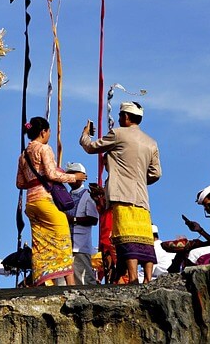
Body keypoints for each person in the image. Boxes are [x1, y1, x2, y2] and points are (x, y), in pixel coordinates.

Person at [80, 102, 161, 284]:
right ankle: (147, 278)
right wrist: (139, 179)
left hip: (121, 194)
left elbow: (91, 147)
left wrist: (85, 135)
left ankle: (132, 277)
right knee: (145, 237)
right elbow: (156, 173)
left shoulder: (118, 134)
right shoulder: (151, 142)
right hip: (141, 196)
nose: (118, 119)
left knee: (126, 236)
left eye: (120, 116)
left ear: (126, 117)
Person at [17, 117, 84, 286]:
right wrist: (74, 177)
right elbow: (52, 175)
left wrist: (34, 180)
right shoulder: (44, 149)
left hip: (31, 203)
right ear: (43, 132)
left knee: (40, 244)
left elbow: (20, 183)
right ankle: (70, 283)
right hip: (45, 200)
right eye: (48, 132)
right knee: (62, 238)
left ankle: (43, 281)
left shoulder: (23, 155)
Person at [66, 162, 100, 285]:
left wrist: (73, 220)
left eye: (74, 174)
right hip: (66, 243)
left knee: (84, 279)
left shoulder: (88, 195)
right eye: (68, 174)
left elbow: (93, 219)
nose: (71, 178)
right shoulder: (65, 196)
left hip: (81, 244)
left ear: (82, 176)